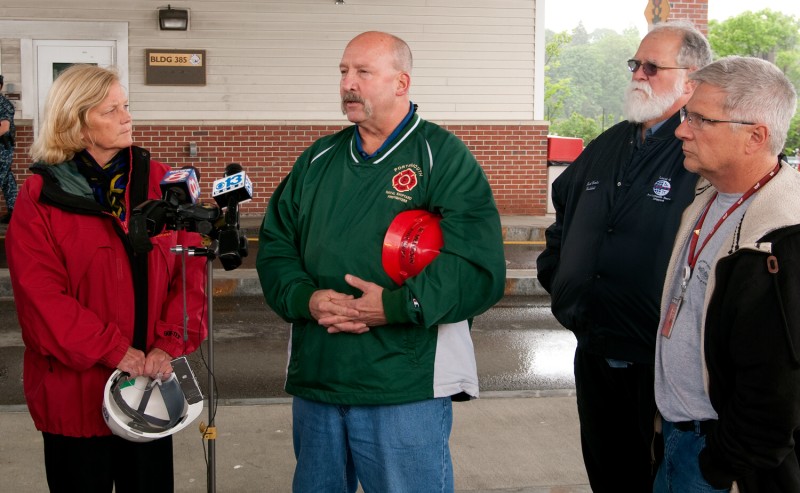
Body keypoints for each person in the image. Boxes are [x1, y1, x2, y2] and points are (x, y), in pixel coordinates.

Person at [256, 31, 506, 492]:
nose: (348, 84)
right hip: (319, 379)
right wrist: (306, 299)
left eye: (363, 72)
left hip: (403, 386)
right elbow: (275, 244)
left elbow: (476, 266)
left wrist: (391, 308)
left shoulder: (442, 157)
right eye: (343, 72)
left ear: (401, 82)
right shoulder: (318, 158)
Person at [6, 64, 208, 492]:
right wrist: (116, 350)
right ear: (76, 124)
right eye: (110, 110)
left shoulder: (165, 184)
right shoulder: (40, 197)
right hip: (73, 399)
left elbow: (190, 270)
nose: (127, 117)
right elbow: (40, 298)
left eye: (126, 106)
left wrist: (167, 344)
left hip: (149, 388)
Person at [536, 21, 712, 491]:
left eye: (653, 67)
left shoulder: (700, 149)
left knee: (655, 476)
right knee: (606, 472)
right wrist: (563, 282)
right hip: (594, 350)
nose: (638, 74)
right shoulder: (609, 143)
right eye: (635, 64)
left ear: (691, 80)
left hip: (659, 365)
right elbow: (564, 219)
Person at [654, 56, 800, 492]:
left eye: (700, 119)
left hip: (719, 460)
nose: (681, 129)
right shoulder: (708, 196)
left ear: (755, 136)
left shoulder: (782, 236)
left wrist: (719, 467)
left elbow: (779, 389)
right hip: (679, 436)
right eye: (686, 114)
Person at [0, 74, 17, 223]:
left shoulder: (4, 104)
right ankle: (14, 211)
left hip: (2, 150)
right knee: (7, 180)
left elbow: (4, 128)